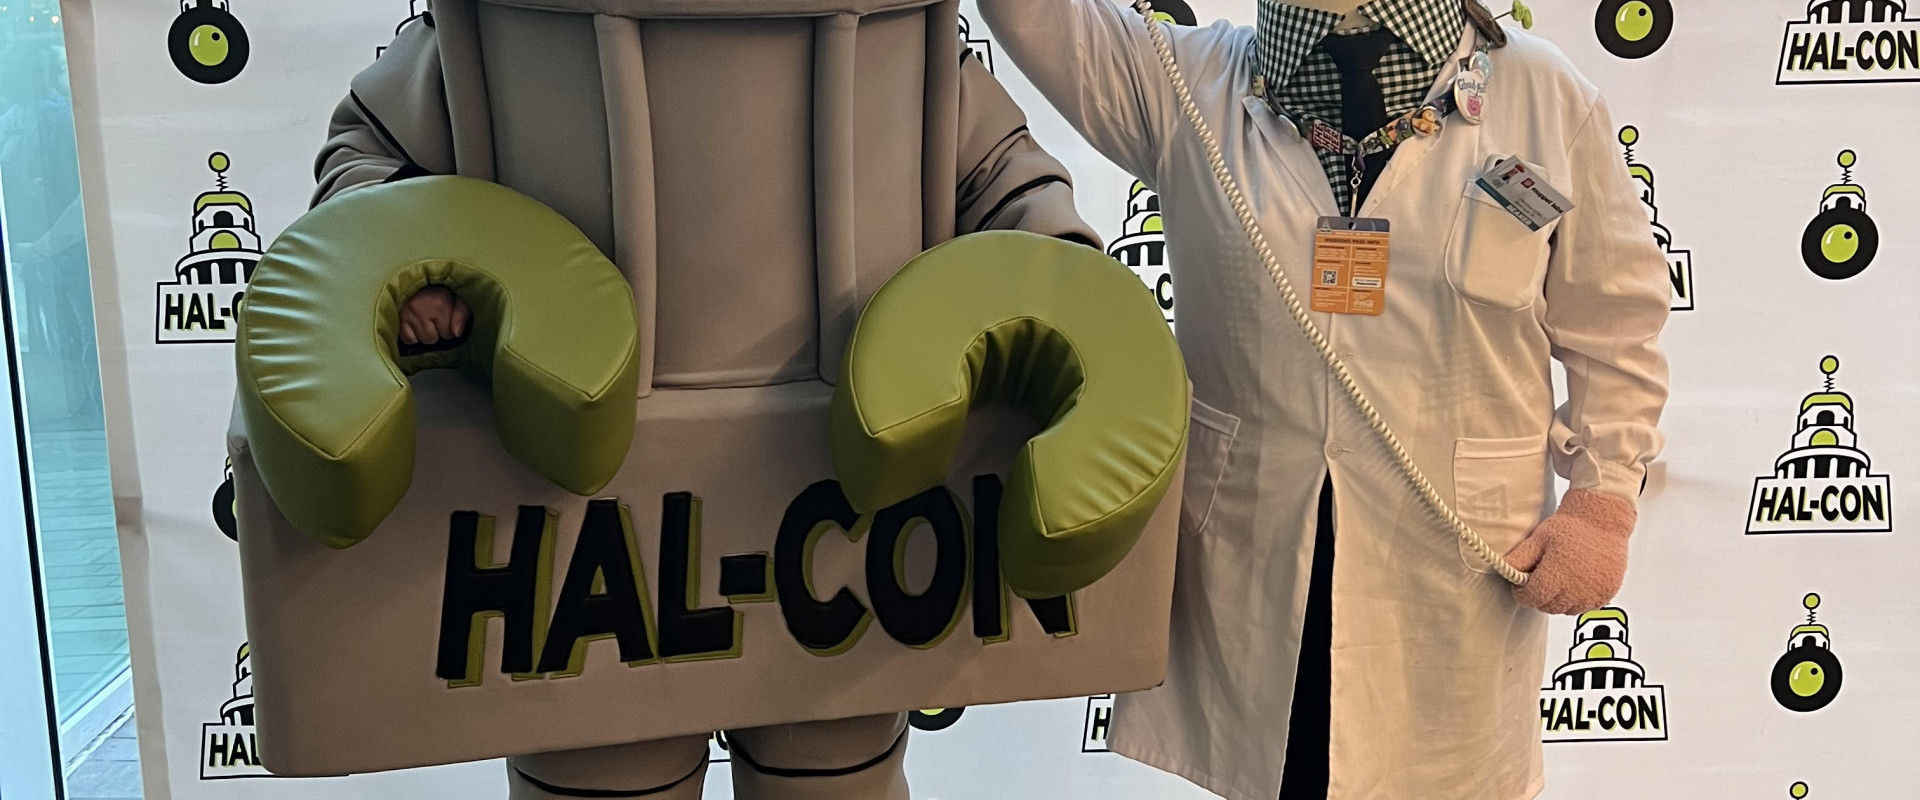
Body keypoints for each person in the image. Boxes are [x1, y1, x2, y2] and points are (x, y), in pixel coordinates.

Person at [309, 3, 1097, 798]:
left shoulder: (896, 31)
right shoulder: (502, 28)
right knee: (605, 774)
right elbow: (366, 166)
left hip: (841, 525)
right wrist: (416, 258)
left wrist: (1058, 278)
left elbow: (1000, 173)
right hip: (577, 532)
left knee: (830, 774)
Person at [976, 1, 1670, 799]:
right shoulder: (1178, 84)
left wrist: (1602, 502)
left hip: (1457, 561)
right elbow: (1033, 13)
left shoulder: (1545, 99)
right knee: (1284, 771)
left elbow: (1617, 321)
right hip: (1255, 549)